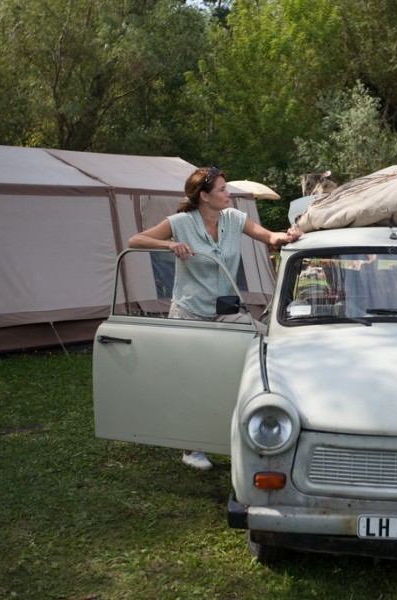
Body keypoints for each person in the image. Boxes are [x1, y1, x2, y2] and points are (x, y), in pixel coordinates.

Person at [129, 166, 302, 469]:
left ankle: (263, 425)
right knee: (189, 379)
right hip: (188, 312)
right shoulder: (180, 222)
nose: (228, 194)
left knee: (265, 346)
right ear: (204, 196)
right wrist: (169, 244)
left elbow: (269, 237)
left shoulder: (234, 219)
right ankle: (190, 447)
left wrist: (287, 236)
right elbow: (136, 240)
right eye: (222, 189)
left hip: (225, 311)